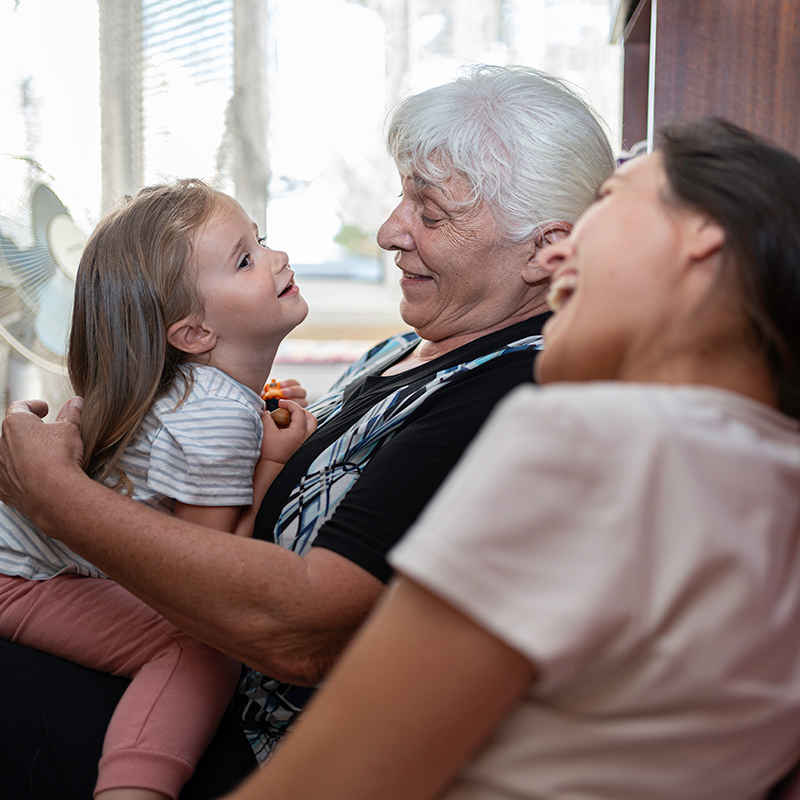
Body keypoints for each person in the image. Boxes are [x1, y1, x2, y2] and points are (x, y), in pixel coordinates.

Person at [0, 65, 615, 798]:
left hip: (255, 745)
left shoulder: (518, 393)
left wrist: (52, 495)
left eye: (430, 211)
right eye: (403, 196)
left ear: (545, 249)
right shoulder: (408, 347)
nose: (390, 232)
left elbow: (305, 629)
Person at [217, 117, 800, 800]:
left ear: (703, 232)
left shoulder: (592, 440)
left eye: (609, 202)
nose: (555, 259)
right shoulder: (774, 480)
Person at [0, 180, 316, 800]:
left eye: (263, 242)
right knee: (202, 649)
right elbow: (206, 581)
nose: (277, 259)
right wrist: (275, 458)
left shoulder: (204, 396)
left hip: (34, 563)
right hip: (21, 579)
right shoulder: (215, 417)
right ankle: (134, 789)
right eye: (246, 259)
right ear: (193, 334)